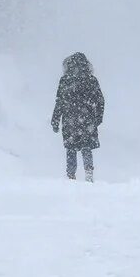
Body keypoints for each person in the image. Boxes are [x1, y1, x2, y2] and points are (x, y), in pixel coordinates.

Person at [51, 52, 105, 182]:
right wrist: (98, 117)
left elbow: (60, 101)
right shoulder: (91, 79)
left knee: (71, 147)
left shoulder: (65, 80)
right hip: (87, 118)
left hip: (70, 118)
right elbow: (100, 100)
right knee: (86, 145)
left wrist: (55, 120)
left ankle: (71, 175)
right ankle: (89, 171)